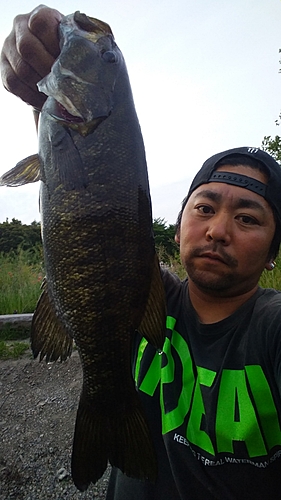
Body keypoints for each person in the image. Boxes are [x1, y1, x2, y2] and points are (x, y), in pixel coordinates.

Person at [2, 6, 281, 499]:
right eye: (205, 207)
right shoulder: (149, 298)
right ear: (176, 231)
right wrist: (37, 77)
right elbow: (62, 141)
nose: (218, 230)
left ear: (274, 250)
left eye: (247, 218)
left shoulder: (272, 330)